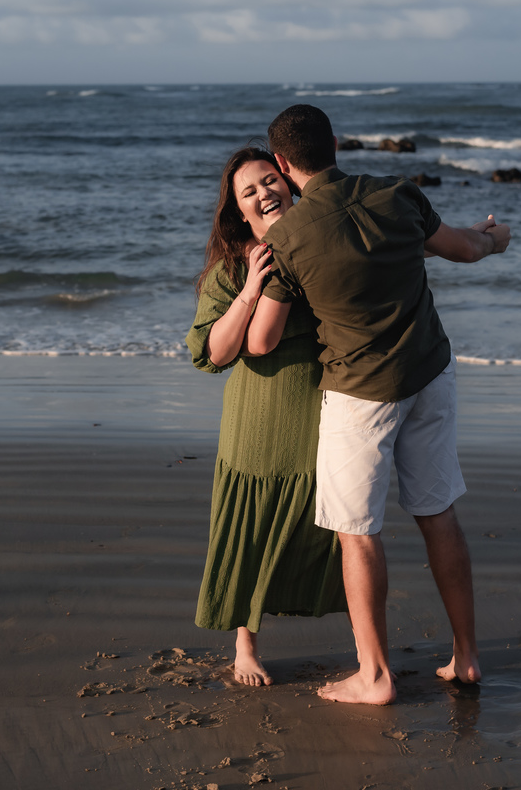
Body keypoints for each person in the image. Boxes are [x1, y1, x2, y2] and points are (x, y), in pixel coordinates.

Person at [259, 105, 512, 705]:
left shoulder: (287, 238)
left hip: (360, 393)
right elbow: (468, 249)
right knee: (438, 512)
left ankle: (374, 675)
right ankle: (467, 657)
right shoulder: (398, 194)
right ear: (337, 144)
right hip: (430, 370)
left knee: (358, 533)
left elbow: (265, 338)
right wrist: (497, 238)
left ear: (281, 164)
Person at [186, 146, 346, 687]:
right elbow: (215, 353)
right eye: (249, 191)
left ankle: (367, 645)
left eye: (270, 180)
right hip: (257, 416)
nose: (263, 193)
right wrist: (252, 286)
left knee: (331, 522)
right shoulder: (230, 267)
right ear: (238, 209)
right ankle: (244, 647)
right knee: (249, 530)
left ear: (290, 182)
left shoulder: (319, 240)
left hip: (320, 404)